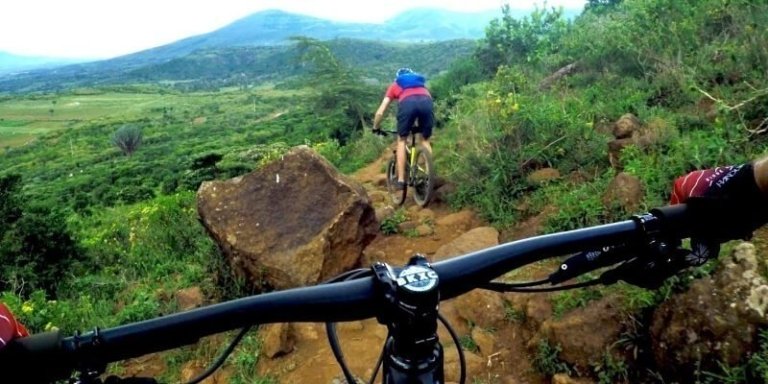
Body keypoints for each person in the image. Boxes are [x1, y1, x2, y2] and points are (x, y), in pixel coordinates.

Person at [373, 67, 435, 190]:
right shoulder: (421, 85)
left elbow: (381, 111)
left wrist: (376, 127)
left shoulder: (395, 85)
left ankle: (401, 180)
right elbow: (423, 103)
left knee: (401, 140)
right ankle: (430, 174)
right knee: (425, 140)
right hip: (427, 103)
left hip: (407, 105)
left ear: (397, 78)